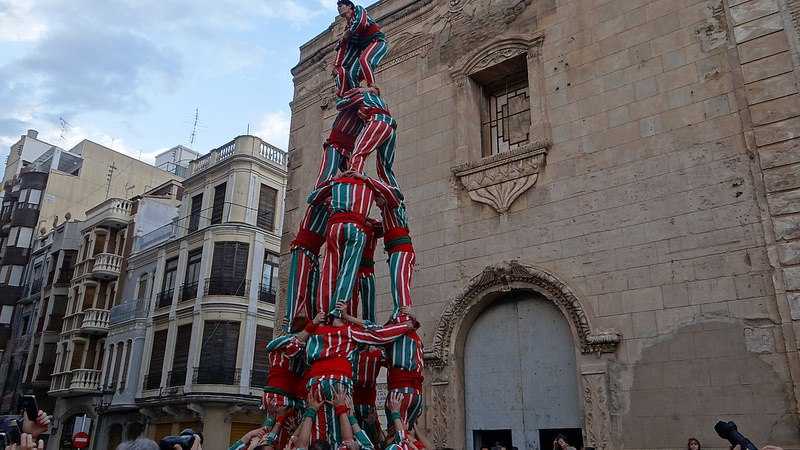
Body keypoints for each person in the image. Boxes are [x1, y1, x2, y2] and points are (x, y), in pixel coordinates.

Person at [307, 171, 400, 317]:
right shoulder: (367, 190)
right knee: (348, 279)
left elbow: (312, 198)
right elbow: (392, 207)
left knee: (330, 270)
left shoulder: (337, 184)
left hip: (340, 235)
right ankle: (338, 313)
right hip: (360, 254)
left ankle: (324, 312)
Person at [334, 1, 389, 96]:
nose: (338, 9)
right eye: (337, 7)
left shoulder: (358, 10)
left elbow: (361, 22)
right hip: (367, 48)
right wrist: (338, 66)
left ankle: (373, 87)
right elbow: (349, 51)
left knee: (364, 59)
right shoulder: (348, 28)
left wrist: (349, 33)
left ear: (349, 6)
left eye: (340, 6)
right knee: (351, 73)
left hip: (378, 42)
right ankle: (356, 95)